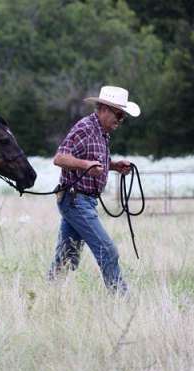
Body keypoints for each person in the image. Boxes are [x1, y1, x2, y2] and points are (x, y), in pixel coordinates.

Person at [47, 85, 140, 295]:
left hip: (82, 201)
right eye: (118, 114)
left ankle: (47, 296)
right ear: (105, 109)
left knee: (67, 256)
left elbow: (96, 159)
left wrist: (114, 166)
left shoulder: (102, 132)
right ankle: (122, 300)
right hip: (75, 201)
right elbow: (59, 158)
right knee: (107, 251)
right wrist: (85, 165)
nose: (120, 120)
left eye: (123, 116)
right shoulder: (85, 128)